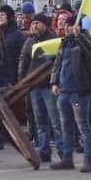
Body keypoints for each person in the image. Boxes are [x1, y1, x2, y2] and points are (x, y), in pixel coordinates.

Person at [50, 17, 91, 173]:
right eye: (65, 26)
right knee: (66, 126)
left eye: (69, 26)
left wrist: (80, 37)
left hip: (79, 91)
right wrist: (54, 81)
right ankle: (67, 158)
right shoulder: (64, 43)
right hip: (64, 90)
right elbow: (57, 64)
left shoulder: (84, 40)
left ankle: (88, 159)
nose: (66, 28)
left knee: (83, 125)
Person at [18, 13, 61, 163]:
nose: (34, 26)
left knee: (55, 120)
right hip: (34, 85)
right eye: (33, 23)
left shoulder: (54, 40)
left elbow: (58, 63)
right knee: (40, 121)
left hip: (48, 86)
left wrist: (56, 81)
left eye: (37, 23)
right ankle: (44, 150)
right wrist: (22, 80)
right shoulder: (30, 41)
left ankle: (63, 151)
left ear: (45, 24)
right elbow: (24, 61)